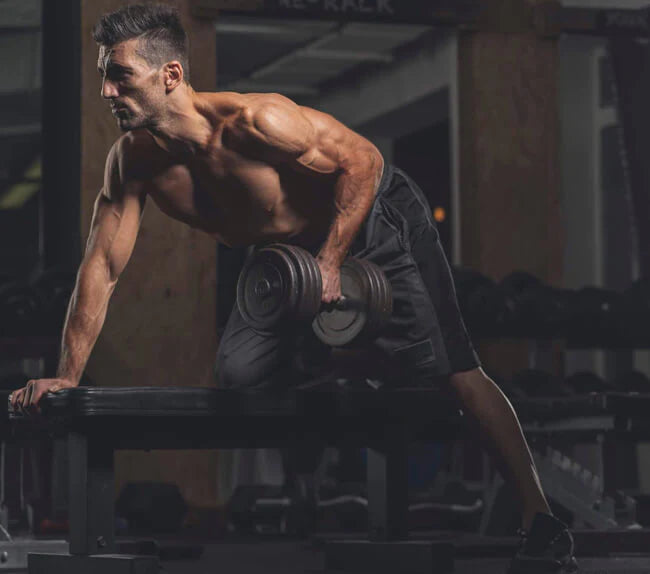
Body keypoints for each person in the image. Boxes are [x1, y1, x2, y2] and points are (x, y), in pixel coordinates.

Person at [9, 4, 576, 572]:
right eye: (103, 75)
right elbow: (102, 267)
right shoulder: (132, 162)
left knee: (453, 369)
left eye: (120, 75)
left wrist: (330, 259)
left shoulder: (258, 123)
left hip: (373, 218)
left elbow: (364, 161)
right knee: (240, 376)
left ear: (171, 75)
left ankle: (539, 518)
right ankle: (353, 358)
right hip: (287, 259)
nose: (106, 89)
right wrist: (68, 375)